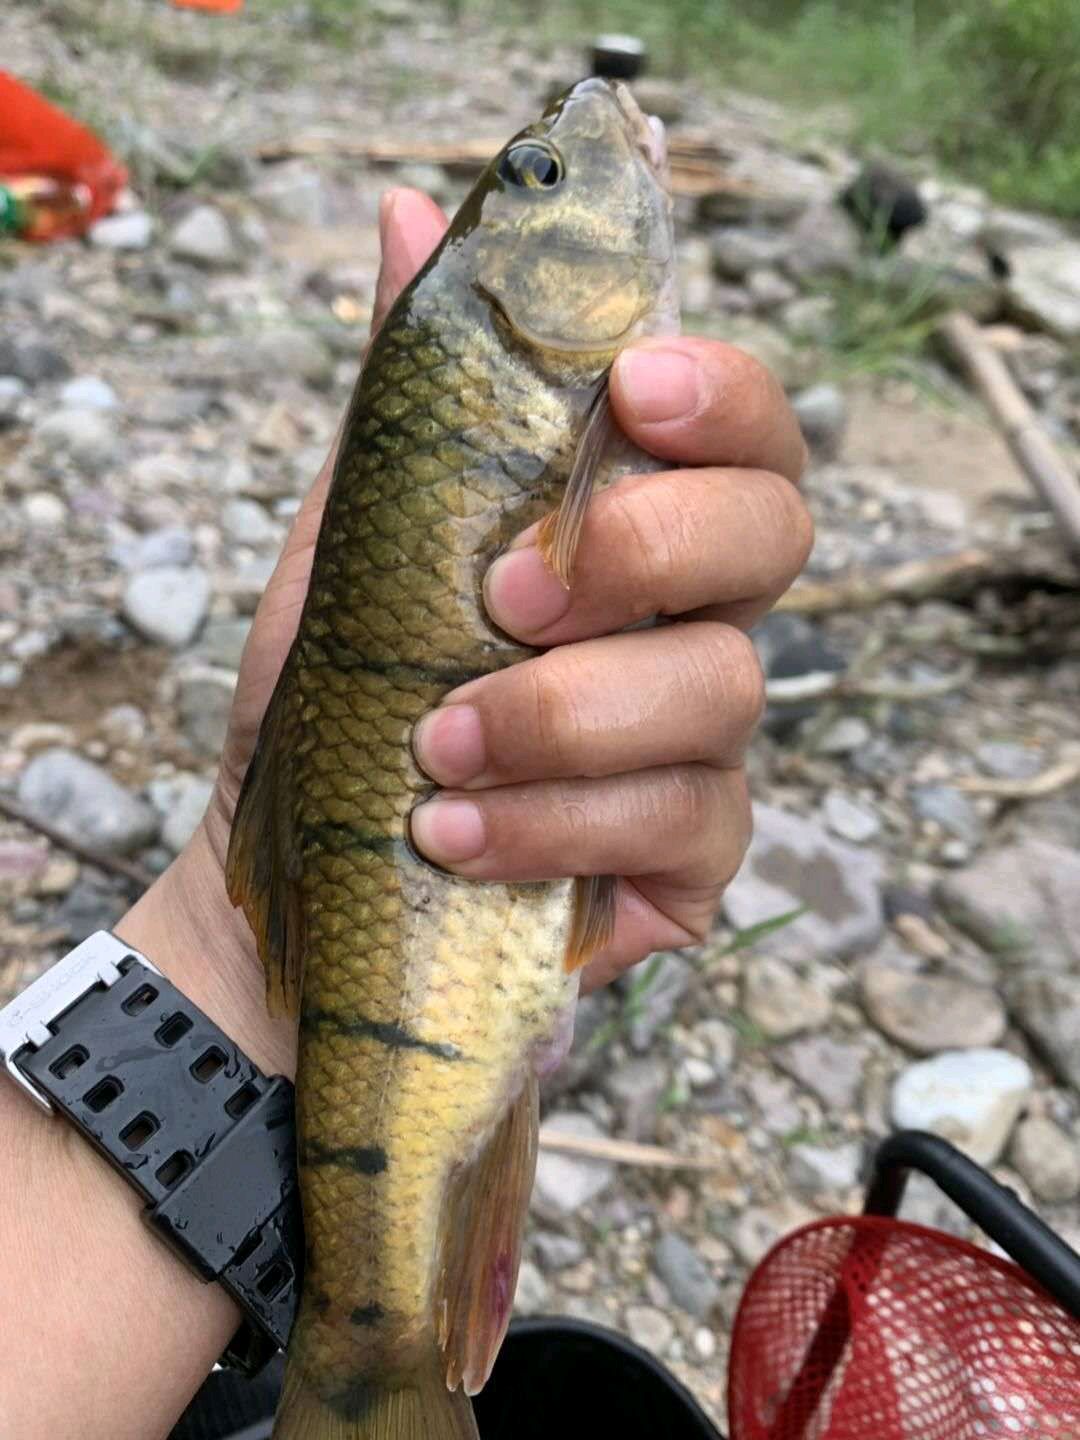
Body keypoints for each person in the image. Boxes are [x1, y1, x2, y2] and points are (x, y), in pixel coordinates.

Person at [0, 188, 811, 1439]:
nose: (589, 149)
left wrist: (235, 967)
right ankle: (374, 1354)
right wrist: (233, 940)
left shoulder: (511, 347)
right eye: (545, 176)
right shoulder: (485, 341)